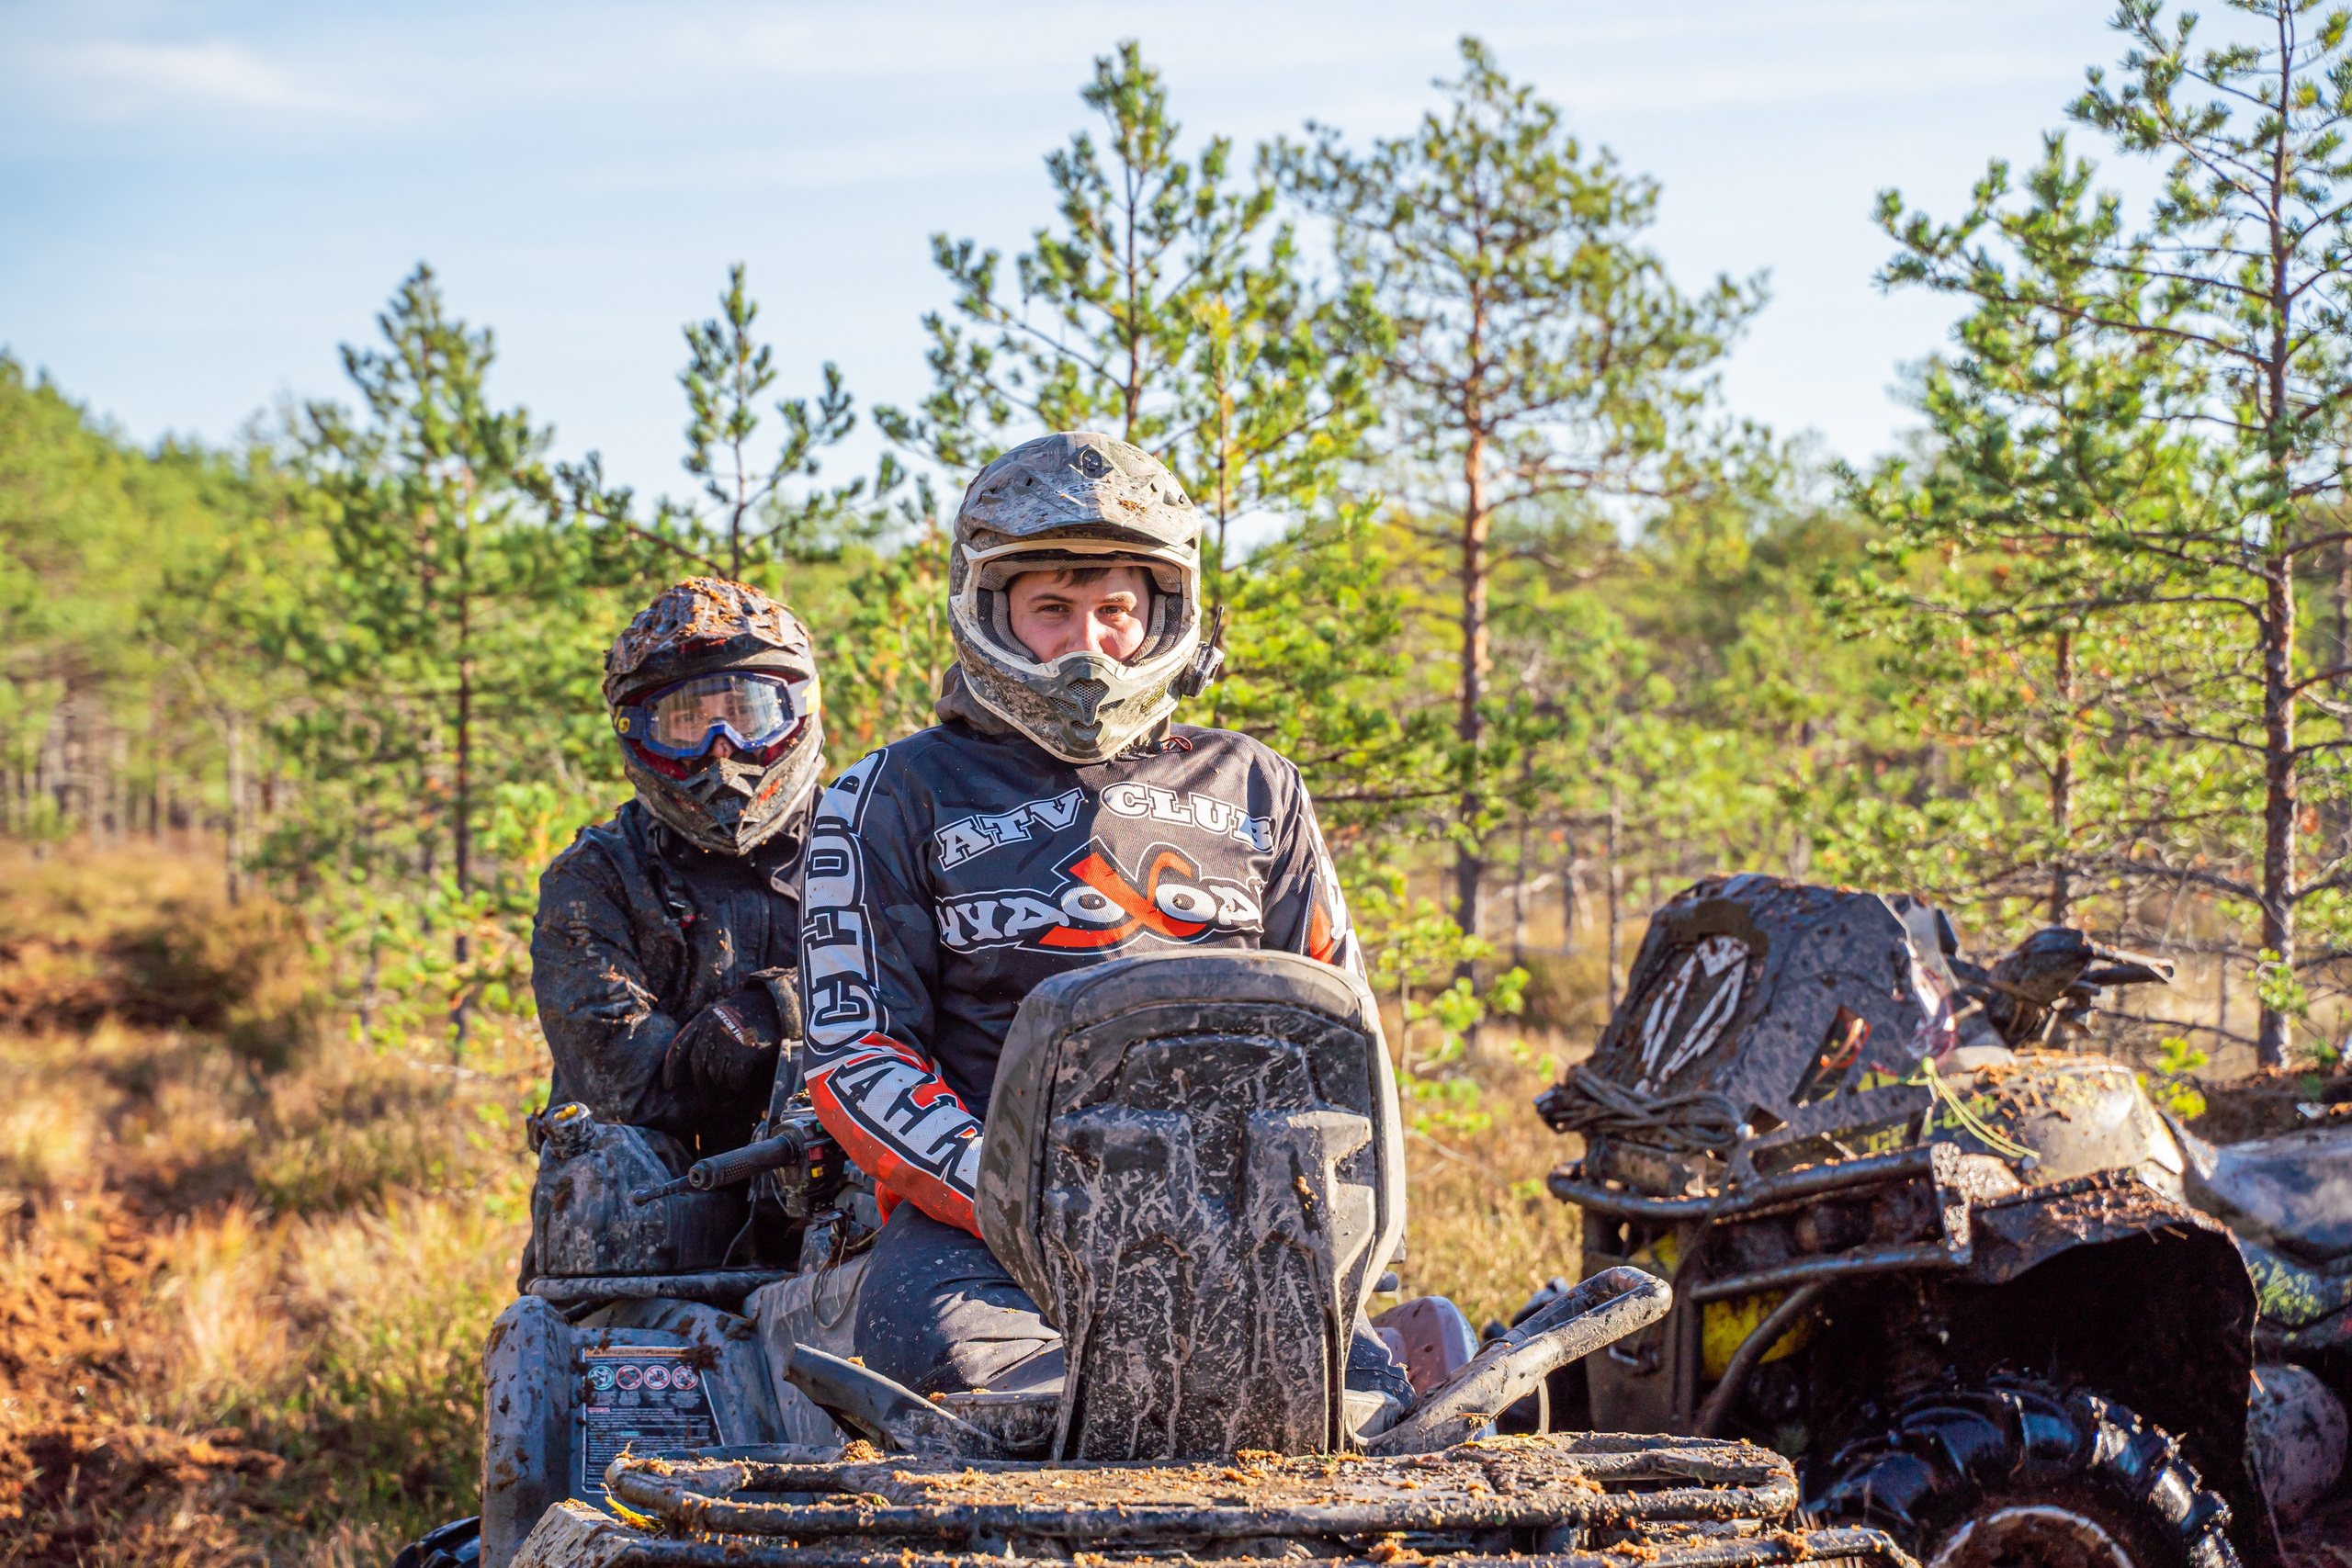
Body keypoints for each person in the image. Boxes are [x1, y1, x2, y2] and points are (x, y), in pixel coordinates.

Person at [798, 431, 1408, 1405]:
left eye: (1114, 610)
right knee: (1002, 1406)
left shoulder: (1258, 785)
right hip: (983, 1239)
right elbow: (856, 1049)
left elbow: (1343, 1027)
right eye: (1052, 608)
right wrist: (1013, 1194)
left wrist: (1346, 1218)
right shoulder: (890, 791)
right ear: (987, 609)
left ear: (1164, 611)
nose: (1087, 642)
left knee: (1370, 1411)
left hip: (1244, 1223)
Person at [527, 578, 825, 1235]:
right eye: (687, 721)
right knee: (611, 1166)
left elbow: (933, 1003)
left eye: (747, 712)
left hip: (843, 1192)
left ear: (796, 710)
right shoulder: (596, 877)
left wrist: (780, 1010)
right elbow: (624, 1079)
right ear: (641, 734)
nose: (721, 746)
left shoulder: (868, 842)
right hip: (653, 1227)